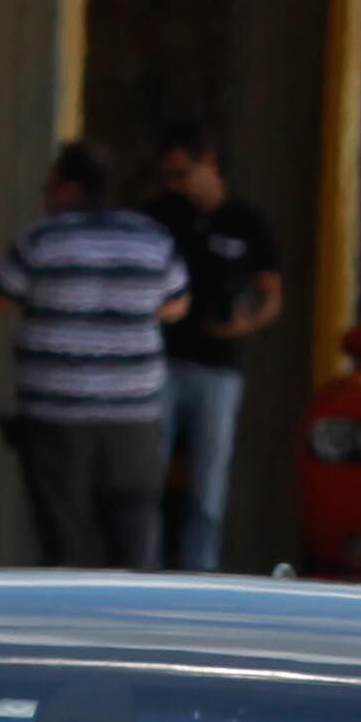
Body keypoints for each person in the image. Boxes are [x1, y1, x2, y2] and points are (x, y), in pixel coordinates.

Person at [0, 139, 189, 570]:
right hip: (133, 416)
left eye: (50, 185)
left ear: (68, 189)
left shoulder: (41, 239)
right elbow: (175, 304)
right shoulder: (151, 239)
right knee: (134, 533)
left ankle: (70, 627)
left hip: (57, 416)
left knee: (65, 535)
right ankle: (131, 626)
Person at [146, 119, 285, 573]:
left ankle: (198, 577)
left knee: (208, 486)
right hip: (161, 363)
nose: (175, 185)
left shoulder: (246, 221)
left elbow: (271, 295)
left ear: (209, 164)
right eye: (168, 176)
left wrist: (243, 322)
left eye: (182, 174)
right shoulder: (161, 216)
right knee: (149, 479)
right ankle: (143, 571)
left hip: (218, 368)